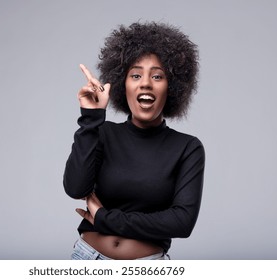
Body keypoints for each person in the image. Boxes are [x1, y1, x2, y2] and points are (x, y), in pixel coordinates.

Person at [63, 21, 205, 260]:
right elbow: (75, 188)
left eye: (158, 76)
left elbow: (182, 222)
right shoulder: (103, 133)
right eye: (136, 75)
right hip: (88, 259)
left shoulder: (187, 148)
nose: (146, 83)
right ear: (123, 85)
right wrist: (91, 117)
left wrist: (106, 219)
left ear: (172, 87)